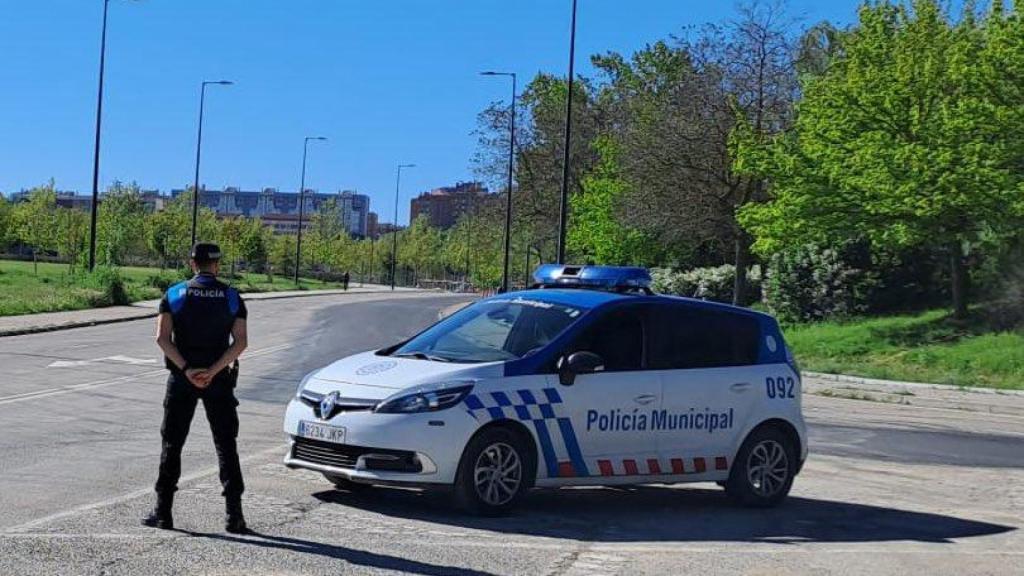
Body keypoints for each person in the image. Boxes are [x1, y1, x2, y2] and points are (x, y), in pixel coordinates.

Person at [142, 242, 250, 534]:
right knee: (226, 445)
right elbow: (240, 341)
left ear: (192, 264)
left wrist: (187, 369)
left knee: (172, 444)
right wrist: (213, 371)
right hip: (218, 380)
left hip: (182, 379)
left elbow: (162, 338)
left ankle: (163, 512)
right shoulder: (231, 296)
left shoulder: (175, 294)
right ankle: (234, 516)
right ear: (216, 265)